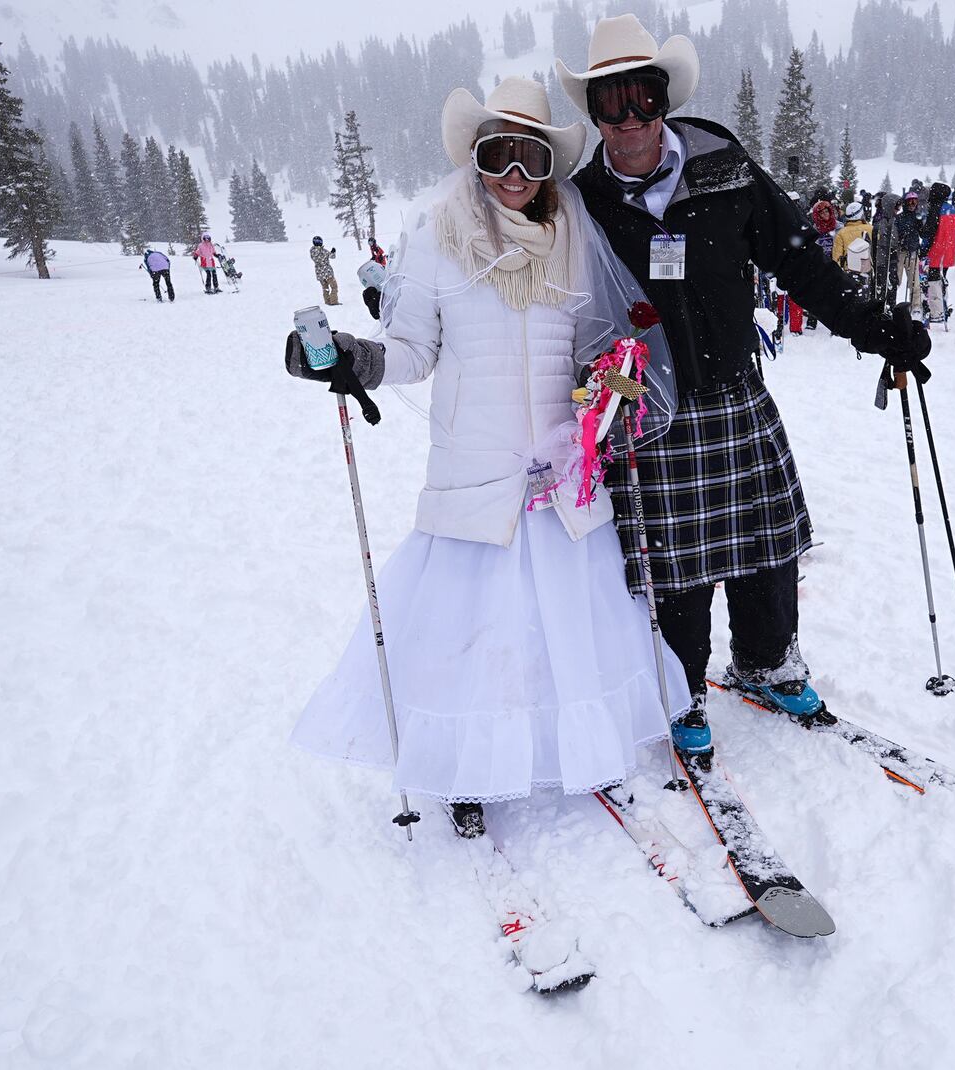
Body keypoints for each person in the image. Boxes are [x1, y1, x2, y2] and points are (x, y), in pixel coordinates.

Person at [285, 76, 690, 835]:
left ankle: (586, 749)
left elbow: (598, 344)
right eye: (497, 152)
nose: (513, 172)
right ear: (475, 158)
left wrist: (612, 384)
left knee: (565, 628)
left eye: (530, 156)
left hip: (558, 469)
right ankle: (464, 767)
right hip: (474, 472)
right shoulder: (437, 235)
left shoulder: (575, 235)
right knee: (473, 636)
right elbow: (411, 349)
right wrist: (353, 361)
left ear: (546, 165)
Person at [558, 14, 931, 752]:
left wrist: (875, 328)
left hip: (734, 393)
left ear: (664, 99)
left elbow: (800, 261)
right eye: (611, 103)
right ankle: (679, 689)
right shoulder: (581, 201)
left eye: (644, 99)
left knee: (767, 547)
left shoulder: (724, 169)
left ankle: (765, 663)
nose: (630, 120)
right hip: (647, 410)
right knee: (675, 568)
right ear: (593, 111)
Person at [919, 181, 955, 321]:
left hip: (935, 251)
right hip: (948, 250)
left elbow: (928, 233)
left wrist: (923, 249)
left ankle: (937, 311)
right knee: (942, 279)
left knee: (932, 281)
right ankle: (943, 305)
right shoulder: (951, 208)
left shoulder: (935, 209)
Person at [832, 200, 873, 287]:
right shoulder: (871, 229)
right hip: (867, 269)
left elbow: (837, 257)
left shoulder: (841, 233)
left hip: (849, 272)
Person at [894, 190, 922, 301]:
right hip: (901, 253)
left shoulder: (917, 217)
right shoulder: (899, 218)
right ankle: (891, 304)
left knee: (914, 283)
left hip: (913, 253)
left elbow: (923, 234)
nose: (912, 205)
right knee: (896, 280)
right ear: (905, 203)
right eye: (910, 202)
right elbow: (895, 234)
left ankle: (915, 306)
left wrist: (921, 225)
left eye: (915, 202)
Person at [310, 235, 338, 304]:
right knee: (334, 287)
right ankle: (333, 302)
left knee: (325, 288)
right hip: (327, 272)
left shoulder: (312, 251)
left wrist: (332, 252)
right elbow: (330, 256)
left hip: (319, 274)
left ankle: (327, 301)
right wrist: (332, 252)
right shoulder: (322, 251)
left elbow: (330, 256)